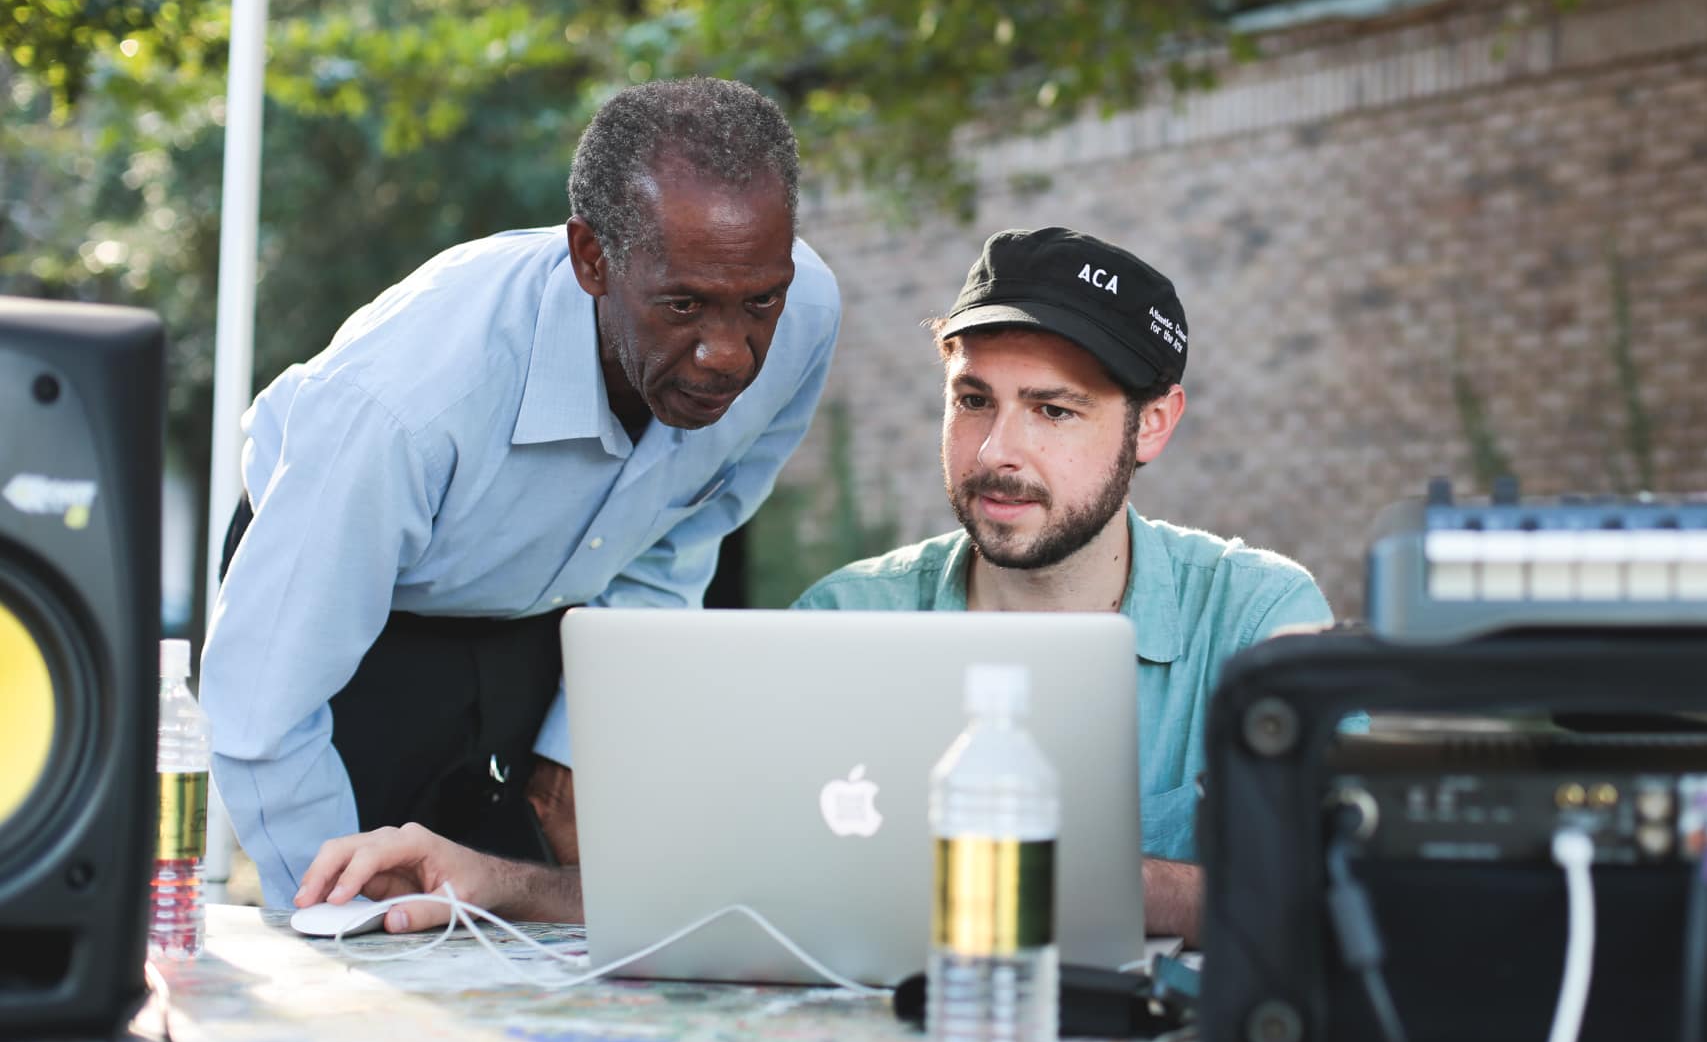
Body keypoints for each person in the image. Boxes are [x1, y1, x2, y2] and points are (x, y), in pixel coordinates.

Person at [292, 227, 1329, 945]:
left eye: (1052, 410)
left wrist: (1023, 873)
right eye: (973, 399)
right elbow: (718, 886)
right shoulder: (845, 620)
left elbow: (1331, 889)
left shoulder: (1257, 617)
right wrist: (494, 881)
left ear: (1152, 424)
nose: (996, 451)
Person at [202, 76, 842, 905]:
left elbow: (682, 534)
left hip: (544, 617)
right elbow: (262, 705)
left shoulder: (807, 315)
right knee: (383, 918)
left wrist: (577, 740)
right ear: (591, 259)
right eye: (684, 303)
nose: (730, 353)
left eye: (759, 301)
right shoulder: (402, 407)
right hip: (364, 624)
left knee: (525, 909)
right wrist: (339, 911)